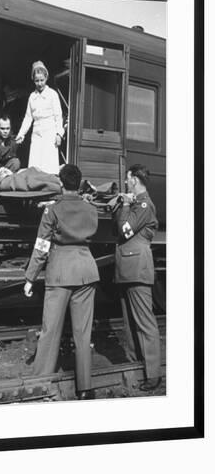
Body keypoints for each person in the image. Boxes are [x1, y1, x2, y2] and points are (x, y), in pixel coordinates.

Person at [23, 164, 99, 399]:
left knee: (51, 329)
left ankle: (41, 382)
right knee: (83, 333)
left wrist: (30, 277)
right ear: (79, 183)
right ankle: (85, 388)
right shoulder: (91, 209)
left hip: (60, 273)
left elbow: (42, 246)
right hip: (87, 270)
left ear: (61, 183)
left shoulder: (52, 211)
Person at [113, 164, 162, 391]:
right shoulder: (138, 203)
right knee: (130, 323)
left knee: (144, 322)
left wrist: (124, 204)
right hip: (127, 268)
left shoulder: (143, 204)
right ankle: (134, 365)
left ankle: (153, 374)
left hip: (136, 268)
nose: (125, 182)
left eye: (127, 178)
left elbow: (125, 230)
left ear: (133, 179)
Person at [15, 61, 64, 174]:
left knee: (48, 164)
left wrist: (59, 134)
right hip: (37, 133)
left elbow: (58, 116)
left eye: (42, 80)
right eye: (37, 81)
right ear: (33, 80)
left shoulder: (52, 94)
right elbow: (28, 118)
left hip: (50, 132)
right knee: (36, 163)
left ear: (46, 78)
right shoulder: (32, 97)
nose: (40, 83)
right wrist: (21, 134)